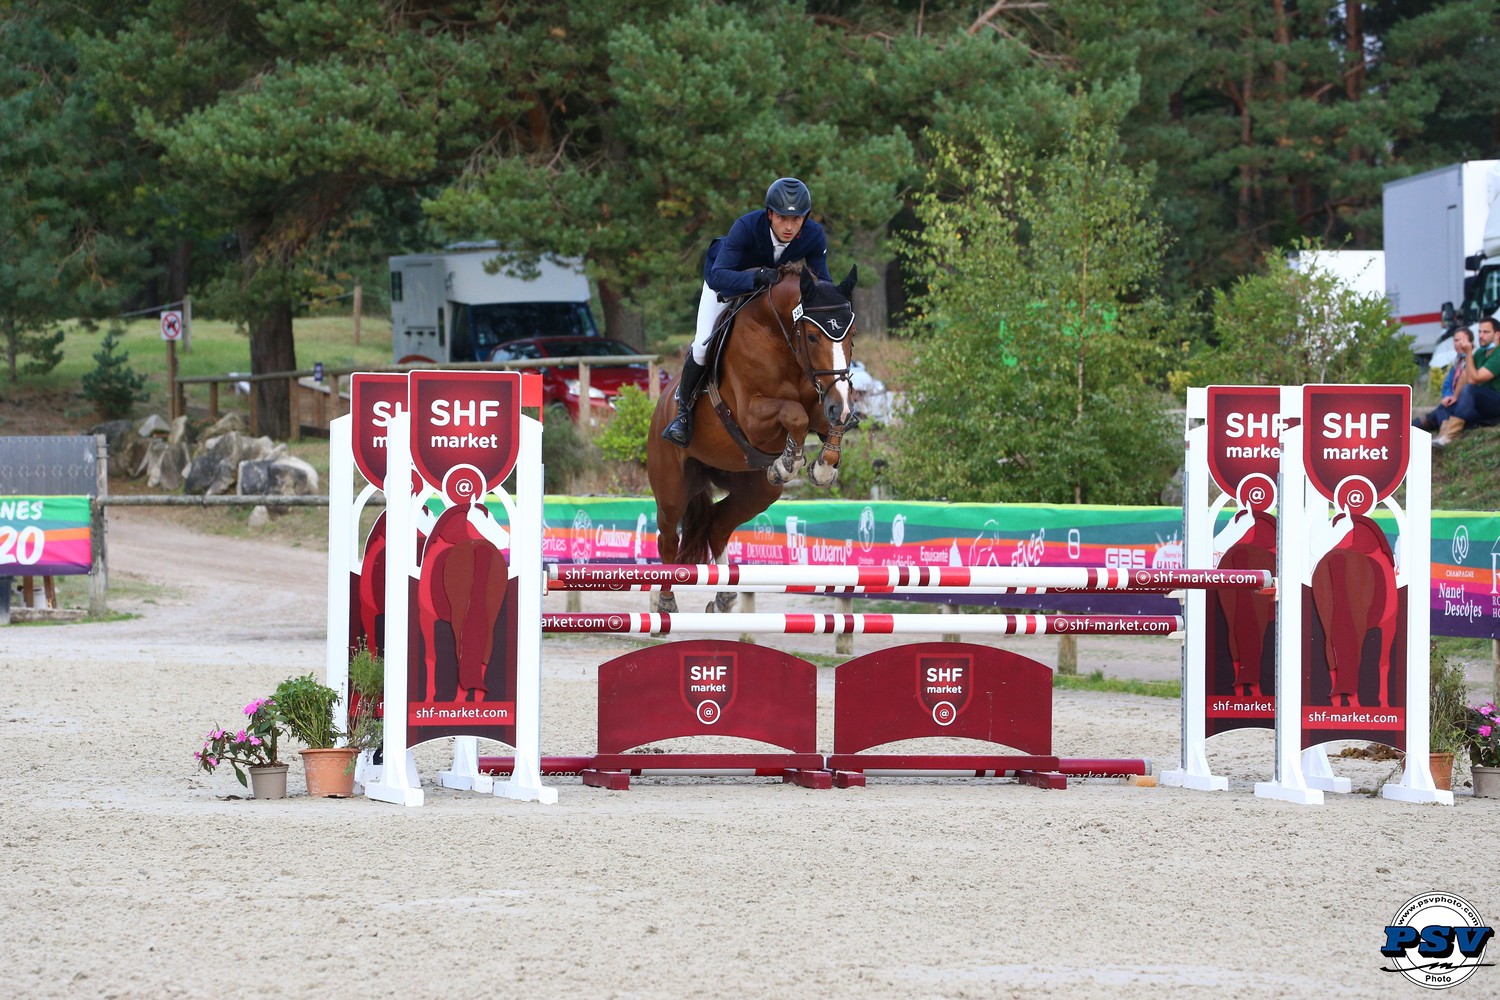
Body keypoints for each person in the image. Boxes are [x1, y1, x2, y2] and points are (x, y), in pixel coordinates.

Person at [661, 177, 834, 446]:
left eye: (797, 219)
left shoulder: (813, 234)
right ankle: (683, 413)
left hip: (770, 295)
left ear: (805, 218)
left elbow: (822, 282)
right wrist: (755, 278)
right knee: (703, 344)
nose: (789, 227)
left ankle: (828, 404)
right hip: (729, 285)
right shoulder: (746, 226)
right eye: (782, 218)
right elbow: (718, 276)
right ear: (769, 214)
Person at [1434, 315, 1500, 447]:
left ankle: (1451, 435)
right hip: (1484, 404)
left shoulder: (1498, 354)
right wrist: (1454, 397)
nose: (1481, 335)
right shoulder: (1481, 352)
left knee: (1470, 389)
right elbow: (1465, 375)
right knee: (1445, 406)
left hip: (1496, 402)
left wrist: (1468, 353)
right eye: (1479, 331)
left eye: (1486, 332)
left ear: (1497, 334)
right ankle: (1443, 435)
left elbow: (1475, 379)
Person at [1414, 327, 1474, 431]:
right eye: (1456, 340)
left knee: (1438, 412)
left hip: (1465, 403)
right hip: (1452, 401)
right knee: (1440, 410)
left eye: (1462, 340)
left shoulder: (1474, 359)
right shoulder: (1457, 360)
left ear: (1471, 343)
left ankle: (1443, 429)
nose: (1458, 344)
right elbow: (1448, 383)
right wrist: (1448, 396)